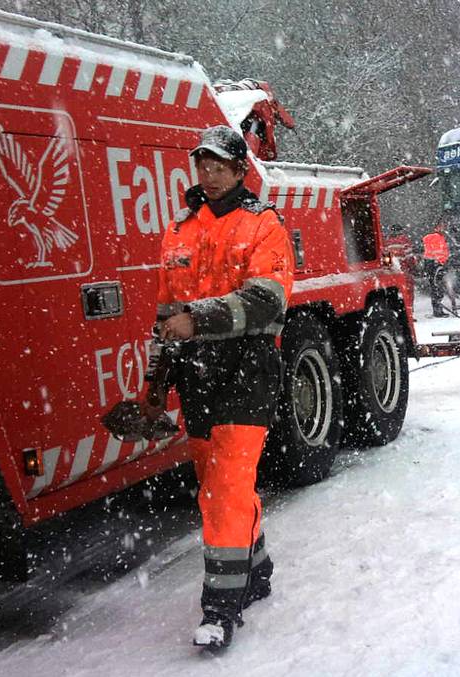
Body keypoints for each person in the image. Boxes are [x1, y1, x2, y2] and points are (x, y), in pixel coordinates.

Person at [142, 125, 294, 650]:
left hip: (248, 370)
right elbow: (165, 313)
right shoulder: (180, 229)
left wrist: (199, 320)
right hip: (196, 375)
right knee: (218, 485)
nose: (207, 173)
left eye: (217, 164)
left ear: (239, 169)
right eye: (201, 163)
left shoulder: (263, 225)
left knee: (224, 489)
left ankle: (220, 609)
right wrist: (154, 379)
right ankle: (257, 567)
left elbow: (267, 302)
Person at [422, 222, 452, 317]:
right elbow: (440, 252)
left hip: (434, 264)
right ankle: (437, 310)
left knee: (436, 287)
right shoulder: (437, 238)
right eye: (442, 227)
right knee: (437, 287)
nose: (444, 229)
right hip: (436, 265)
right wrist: (442, 262)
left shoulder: (432, 237)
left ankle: (437, 308)